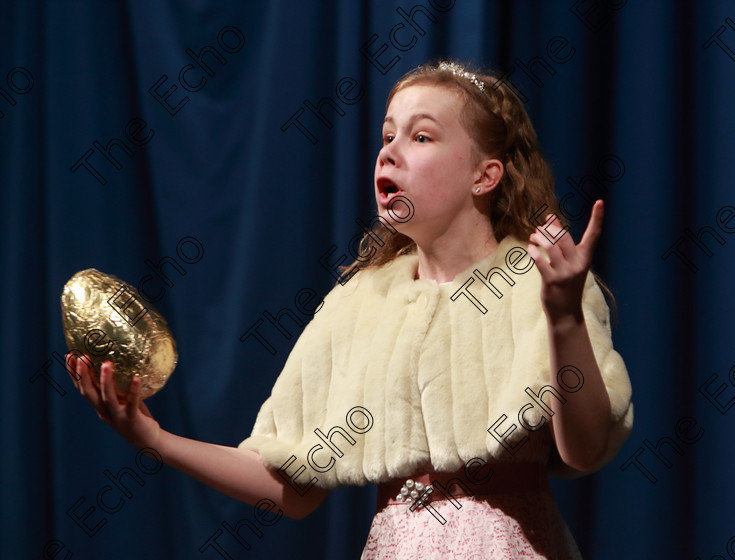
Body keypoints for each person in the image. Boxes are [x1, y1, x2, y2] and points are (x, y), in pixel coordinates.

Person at [67, 60, 633, 559]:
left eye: (422, 137)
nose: (389, 150)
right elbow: (293, 485)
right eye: (387, 136)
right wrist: (155, 439)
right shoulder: (359, 303)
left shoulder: (541, 280)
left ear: (485, 175)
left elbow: (583, 451)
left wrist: (561, 316)